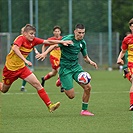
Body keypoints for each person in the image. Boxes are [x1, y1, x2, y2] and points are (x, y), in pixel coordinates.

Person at [0, 24, 72, 113]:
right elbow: (15, 48)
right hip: (10, 70)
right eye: (31, 34)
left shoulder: (34, 40)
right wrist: (25, 60)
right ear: (25, 34)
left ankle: (50, 105)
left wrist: (61, 42)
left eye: (34, 34)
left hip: (22, 69)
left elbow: (47, 42)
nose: (33, 36)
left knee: (37, 84)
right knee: (4, 90)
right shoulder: (20, 38)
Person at [36, 24, 98, 116]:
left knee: (88, 87)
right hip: (65, 69)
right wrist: (45, 53)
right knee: (71, 96)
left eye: (83, 33)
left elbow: (85, 57)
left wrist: (91, 62)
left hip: (76, 67)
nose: (81, 35)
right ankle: (61, 80)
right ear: (75, 32)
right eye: (79, 33)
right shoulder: (68, 39)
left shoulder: (82, 43)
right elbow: (53, 45)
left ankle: (84, 110)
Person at [41, 25, 64, 92]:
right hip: (54, 57)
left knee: (53, 73)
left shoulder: (63, 39)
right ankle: (62, 86)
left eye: (58, 31)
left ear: (60, 32)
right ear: (53, 32)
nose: (57, 32)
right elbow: (44, 45)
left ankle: (44, 79)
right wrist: (43, 53)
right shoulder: (51, 39)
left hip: (61, 57)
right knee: (60, 70)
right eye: (55, 31)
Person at [117, 18, 133, 111]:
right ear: (130, 27)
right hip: (131, 63)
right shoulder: (127, 39)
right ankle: (132, 104)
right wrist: (119, 58)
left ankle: (127, 74)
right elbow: (123, 51)